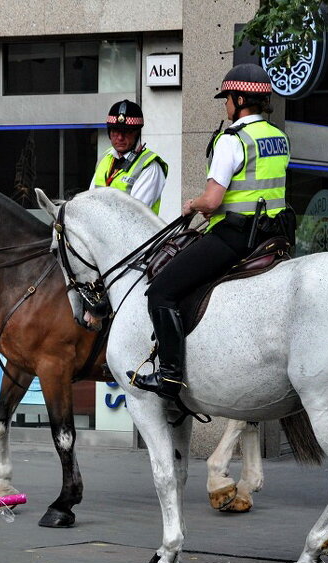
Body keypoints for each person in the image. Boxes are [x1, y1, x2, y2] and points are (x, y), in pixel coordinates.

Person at [129, 64, 295, 400]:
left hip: (236, 237)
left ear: (239, 98)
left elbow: (214, 200)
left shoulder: (232, 139)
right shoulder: (278, 137)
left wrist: (193, 204)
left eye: (227, 99)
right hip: (274, 235)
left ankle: (170, 377)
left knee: (161, 291)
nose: (225, 105)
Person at [88, 99, 168, 213]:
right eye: (115, 131)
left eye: (127, 132)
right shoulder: (105, 157)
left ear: (137, 133)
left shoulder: (149, 166)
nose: (120, 137)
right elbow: (89, 202)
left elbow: (134, 213)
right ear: (109, 132)